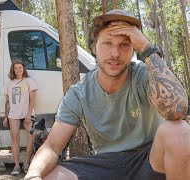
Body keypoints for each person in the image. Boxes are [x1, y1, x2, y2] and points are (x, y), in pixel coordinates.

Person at [24, 9, 189, 180]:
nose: (115, 53)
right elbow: (51, 147)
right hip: (105, 164)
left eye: (124, 45)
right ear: (94, 47)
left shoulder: (144, 75)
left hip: (149, 159)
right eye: (108, 43)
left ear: (134, 49)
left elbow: (177, 110)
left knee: (179, 131)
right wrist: (33, 175)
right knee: (50, 177)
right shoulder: (79, 93)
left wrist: (148, 49)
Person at [3, 59, 38, 175]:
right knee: (15, 137)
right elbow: (7, 101)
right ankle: (17, 165)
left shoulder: (29, 81)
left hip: (27, 113)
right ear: (13, 70)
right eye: (15, 68)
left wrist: (28, 114)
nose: (18, 70)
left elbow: (32, 100)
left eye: (20, 67)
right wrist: (6, 116)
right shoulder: (10, 83)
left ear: (23, 68)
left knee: (31, 135)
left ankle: (27, 163)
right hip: (13, 114)